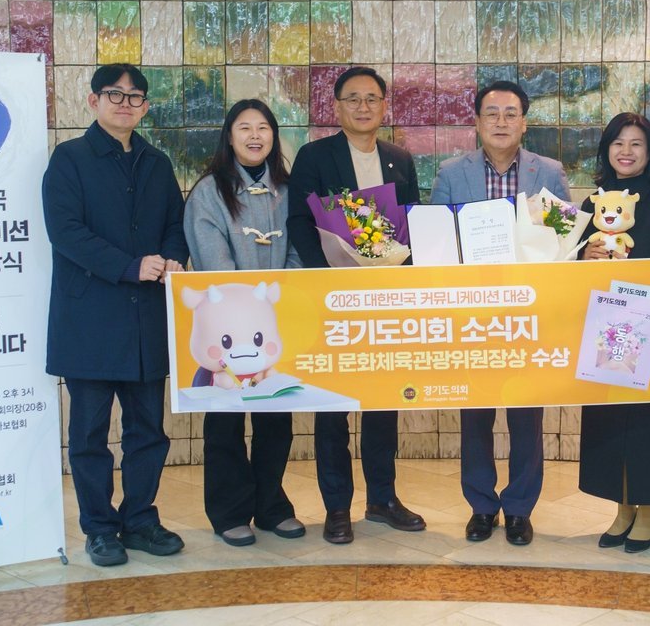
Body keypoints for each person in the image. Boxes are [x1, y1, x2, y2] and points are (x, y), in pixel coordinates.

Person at [43, 63, 188, 567]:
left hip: (146, 318)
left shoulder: (157, 162)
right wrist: (129, 266)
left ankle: (141, 520)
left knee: (148, 430)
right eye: (115, 94)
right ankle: (100, 529)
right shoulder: (69, 159)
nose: (125, 104)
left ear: (145, 107)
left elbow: (175, 224)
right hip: (90, 320)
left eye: (135, 97)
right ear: (93, 101)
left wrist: (174, 257)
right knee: (89, 434)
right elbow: (65, 232)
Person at [286, 66, 426, 544]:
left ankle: (383, 499)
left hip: (386, 302)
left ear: (384, 106)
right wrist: (329, 279)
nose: (363, 107)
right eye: (353, 99)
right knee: (333, 406)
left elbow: (410, 224)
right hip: (334, 301)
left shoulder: (399, 159)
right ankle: (337, 507)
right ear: (337, 107)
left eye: (372, 98)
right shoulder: (314, 156)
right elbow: (299, 222)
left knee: (383, 403)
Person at [430, 80, 570, 546]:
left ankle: (520, 508)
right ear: (477, 121)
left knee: (526, 414)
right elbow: (436, 240)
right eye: (491, 113)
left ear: (524, 122)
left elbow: (565, 240)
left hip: (528, 311)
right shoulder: (452, 173)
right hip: (472, 311)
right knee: (475, 413)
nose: (501, 122)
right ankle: (482, 506)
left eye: (511, 113)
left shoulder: (548, 172)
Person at [183, 99, 307, 547]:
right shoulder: (209, 192)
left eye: (263, 128)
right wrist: (245, 300)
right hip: (226, 328)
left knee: (276, 418)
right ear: (229, 136)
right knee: (225, 421)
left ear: (274, 135)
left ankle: (272, 506)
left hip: (273, 324)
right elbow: (212, 260)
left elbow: (300, 246)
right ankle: (229, 511)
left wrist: (281, 291)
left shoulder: (288, 189)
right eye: (244, 128)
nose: (255, 136)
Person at [577, 112, 650, 553]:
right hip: (604, 328)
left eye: (636, 144)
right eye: (618, 143)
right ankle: (621, 508)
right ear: (606, 149)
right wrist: (583, 258)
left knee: (648, 423)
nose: (626, 152)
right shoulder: (592, 203)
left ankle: (647, 511)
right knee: (608, 421)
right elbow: (569, 263)